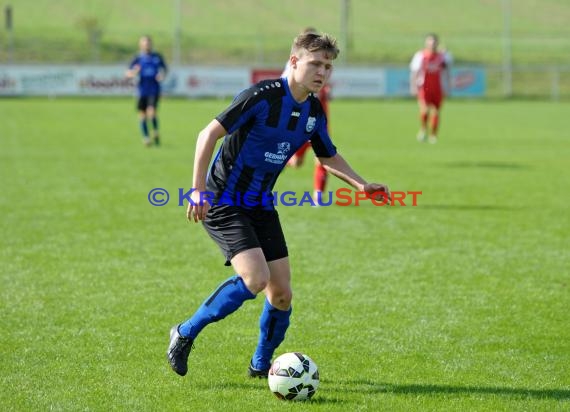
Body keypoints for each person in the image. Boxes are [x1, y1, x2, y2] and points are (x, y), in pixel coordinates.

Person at [167, 32, 390, 378]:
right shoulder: (260, 97)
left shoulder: (313, 111)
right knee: (255, 278)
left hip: (261, 203)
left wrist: (362, 184)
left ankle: (260, 365)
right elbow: (207, 134)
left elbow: (327, 155)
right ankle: (184, 333)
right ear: (295, 61)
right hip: (224, 199)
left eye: (328, 66)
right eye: (316, 63)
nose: (322, 72)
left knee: (282, 294)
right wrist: (198, 191)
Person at [284, 27, 331, 203]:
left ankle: (318, 195)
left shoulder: (324, 66)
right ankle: (283, 161)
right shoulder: (295, 68)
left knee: (323, 156)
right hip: (299, 121)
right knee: (296, 163)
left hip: (320, 122)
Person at [409, 33, 452, 144]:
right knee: (425, 109)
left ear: (437, 43)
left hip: (437, 88)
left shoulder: (442, 57)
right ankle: (423, 129)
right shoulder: (420, 55)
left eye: (434, 41)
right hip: (424, 87)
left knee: (436, 112)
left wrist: (448, 87)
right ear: (426, 42)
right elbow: (414, 72)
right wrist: (413, 86)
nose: (432, 44)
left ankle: (433, 135)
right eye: (430, 41)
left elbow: (447, 71)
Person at [126, 35, 167, 147]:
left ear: (151, 44)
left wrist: (162, 75)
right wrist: (134, 72)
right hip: (141, 90)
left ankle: (155, 131)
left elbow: (164, 70)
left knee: (152, 112)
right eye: (144, 43)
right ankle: (146, 138)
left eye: (148, 43)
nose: (147, 45)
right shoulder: (137, 58)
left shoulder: (157, 57)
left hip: (154, 90)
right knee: (142, 116)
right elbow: (128, 73)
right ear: (141, 45)